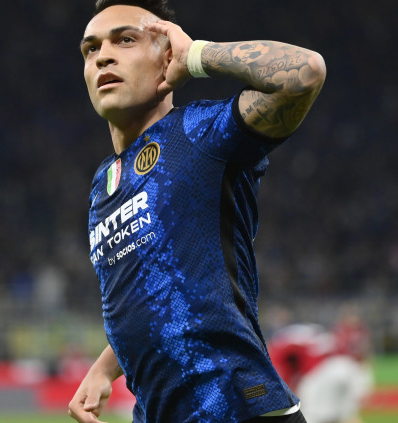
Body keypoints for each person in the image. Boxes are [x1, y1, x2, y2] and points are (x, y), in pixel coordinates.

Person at [69, 0, 325, 422]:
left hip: (240, 409)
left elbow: (305, 72)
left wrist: (197, 56)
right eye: (91, 48)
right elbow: (155, 293)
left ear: (167, 54)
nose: (103, 57)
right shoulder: (103, 182)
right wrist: (103, 368)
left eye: (125, 40)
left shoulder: (200, 133)